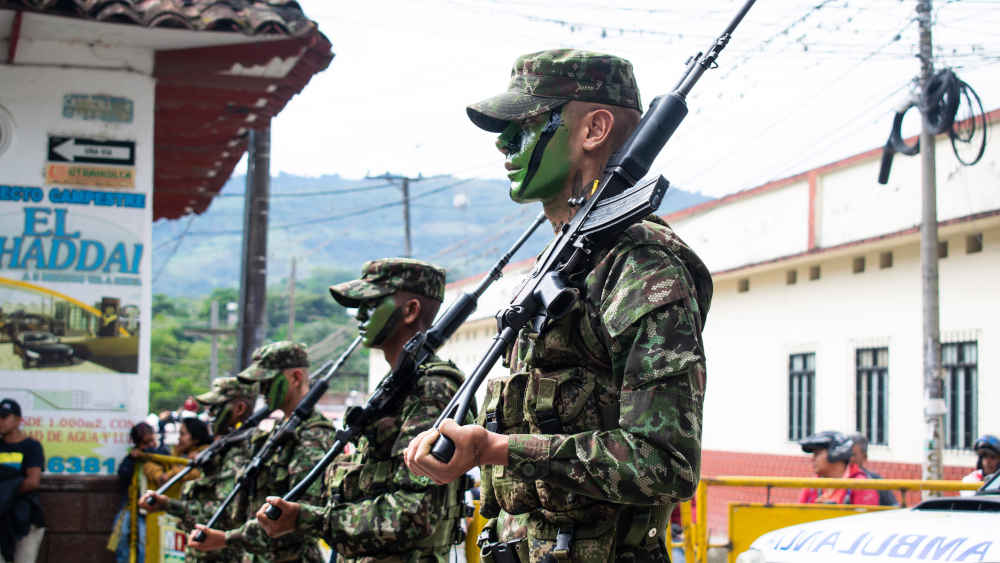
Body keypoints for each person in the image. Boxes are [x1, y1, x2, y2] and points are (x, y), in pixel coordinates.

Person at [405, 49, 713, 562]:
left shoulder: (639, 264)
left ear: (594, 129)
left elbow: (666, 463)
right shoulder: (563, 262)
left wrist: (499, 450)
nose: (504, 143)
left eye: (525, 124)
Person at [255, 258, 471, 562]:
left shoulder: (432, 388)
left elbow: (413, 513)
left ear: (410, 310)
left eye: (372, 304)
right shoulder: (397, 386)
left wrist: (309, 520)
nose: (359, 315)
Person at [188, 341, 335, 563]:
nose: (262, 392)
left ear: (295, 378)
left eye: (267, 383)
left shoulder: (313, 436)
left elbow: (299, 519)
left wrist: (227, 538)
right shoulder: (278, 431)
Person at [139, 377, 258, 562]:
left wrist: (170, 506)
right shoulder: (223, 449)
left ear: (239, 409)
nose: (210, 417)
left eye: (216, 409)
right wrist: (165, 504)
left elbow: (221, 516)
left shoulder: (241, 454)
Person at [110, 422, 168, 563]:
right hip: (132, 504)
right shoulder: (131, 458)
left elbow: (166, 459)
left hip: (152, 507)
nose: (151, 444)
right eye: (145, 443)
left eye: (152, 440)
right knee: (121, 536)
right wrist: (132, 458)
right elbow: (123, 475)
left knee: (144, 542)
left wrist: (147, 454)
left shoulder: (161, 453)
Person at [0, 398, 45, 563]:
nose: (0, 421)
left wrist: (5, 493)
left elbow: (33, 481)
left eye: (4, 417)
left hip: (25, 518)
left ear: (19, 420)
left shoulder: (31, 446)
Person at [798, 431, 879, 505]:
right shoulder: (812, 486)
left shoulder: (861, 485)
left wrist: (834, 511)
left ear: (836, 454)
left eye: (817, 454)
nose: (812, 459)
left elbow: (864, 519)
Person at [143, 417, 211, 487]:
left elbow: (195, 474)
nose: (179, 438)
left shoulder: (206, 455)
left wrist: (170, 474)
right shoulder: (179, 451)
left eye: (182, 434)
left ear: (196, 438)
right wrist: (159, 476)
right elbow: (150, 465)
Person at [846, 432, 898, 506]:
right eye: (846, 454)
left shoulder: (876, 482)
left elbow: (894, 508)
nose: (848, 459)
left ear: (864, 457)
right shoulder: (834, 479)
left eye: (853, 455)